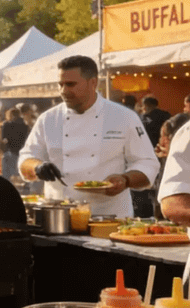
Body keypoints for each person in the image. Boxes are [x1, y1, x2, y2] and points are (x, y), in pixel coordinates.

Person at [18, 55, 159, 218]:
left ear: (93, 83)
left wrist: (125, 179)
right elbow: (26, 159)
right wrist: (37, 167)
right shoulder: (48, 119)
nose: (63, 91)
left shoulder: (124, 117)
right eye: (61, 84)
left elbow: (148, 163)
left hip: (108, 218)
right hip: (59, 217)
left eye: (70, 84)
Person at [0, 107, 29, 179]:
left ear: (10, 115)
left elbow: (3, 138)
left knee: (6, 176)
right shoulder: (25, 126)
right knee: (18, 175)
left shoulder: (6, 125)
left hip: (9, 151)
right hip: (20, 152)